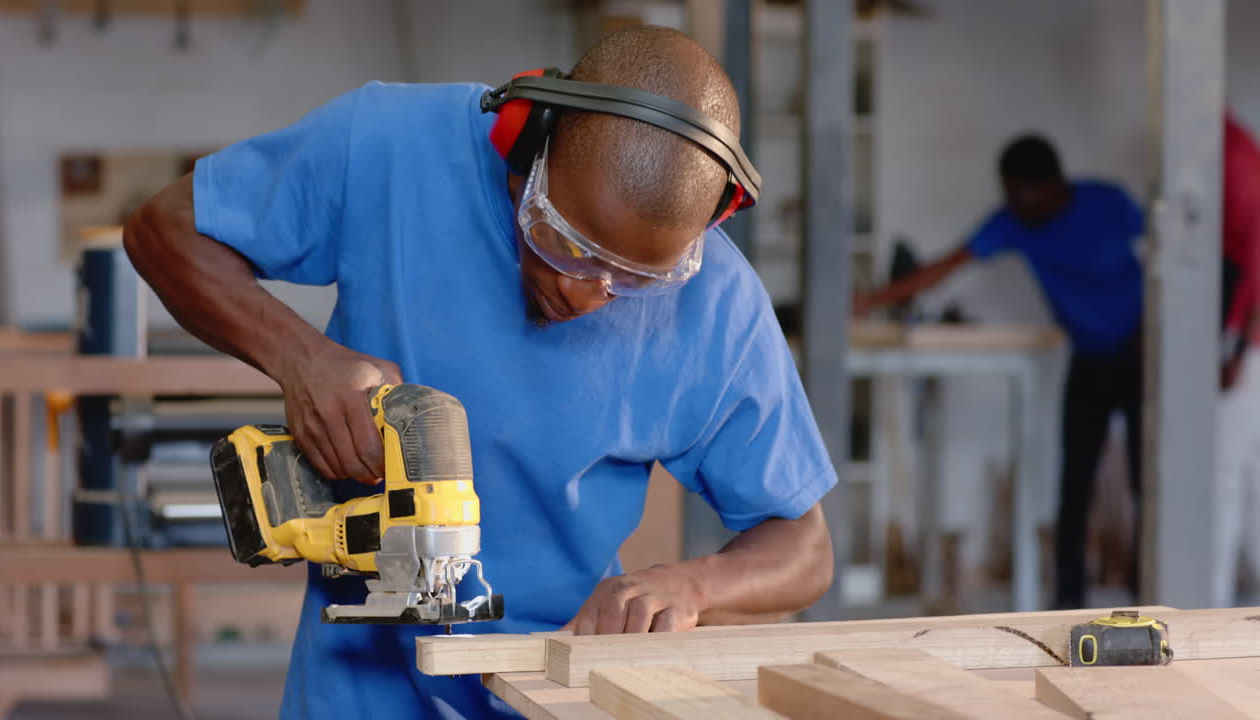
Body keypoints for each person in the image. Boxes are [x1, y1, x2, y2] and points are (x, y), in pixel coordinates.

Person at [123, 25, 836, 719]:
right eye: (566, 244)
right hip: (359, 684)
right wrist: (299, 357)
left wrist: (692, 586)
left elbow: (803, 546)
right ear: (529, 142)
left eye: (635, 279)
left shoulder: (718, 304)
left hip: (554, 686)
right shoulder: (390, 146)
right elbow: (164, 230)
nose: (588, 295)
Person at [855, 135, 1145, 609]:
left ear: (1053, 185)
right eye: (1010, 193)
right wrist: (870, 302)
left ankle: (1146, 594)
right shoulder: (1014, 222)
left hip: (1142, 352)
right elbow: (944, 267)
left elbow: (1171, 256)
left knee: (1145, 482)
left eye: (1025, 194)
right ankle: (1069, 600)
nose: (1018, 205)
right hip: (1090, 357)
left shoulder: (1108, 202)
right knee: (1075, 480)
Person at [1213, 110, 1260, 608]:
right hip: (1246, 344)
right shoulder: (1236, 151)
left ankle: (1211, 604)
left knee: (1224, 475)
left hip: (1250, 350)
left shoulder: (1234, 160)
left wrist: (1238, 352)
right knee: (1246, 475)